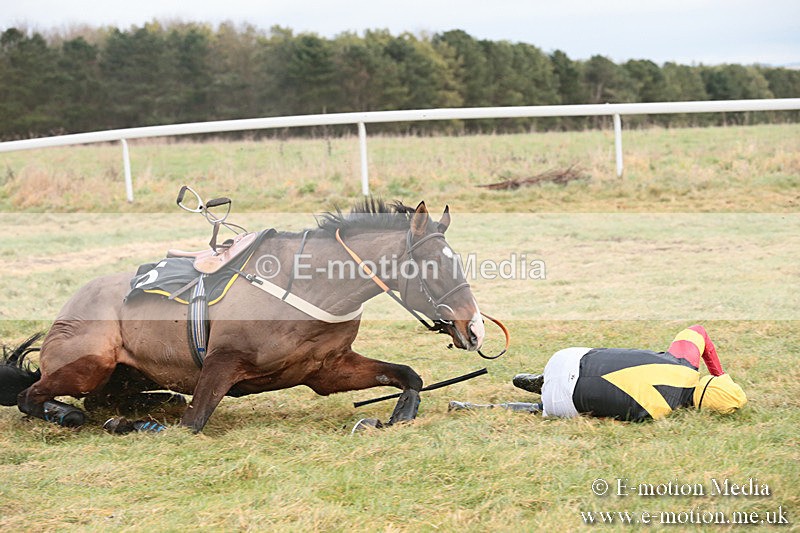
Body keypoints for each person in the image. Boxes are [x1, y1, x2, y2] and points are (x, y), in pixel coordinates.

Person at [508, 325, 747, 421]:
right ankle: (534, 404)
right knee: (587, 403)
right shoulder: (658, 414)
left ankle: (542, 380)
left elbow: (698, 331)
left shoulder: (685, 362)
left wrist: (720, 373)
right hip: (562, 403)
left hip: (564, 359)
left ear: (709, 381)